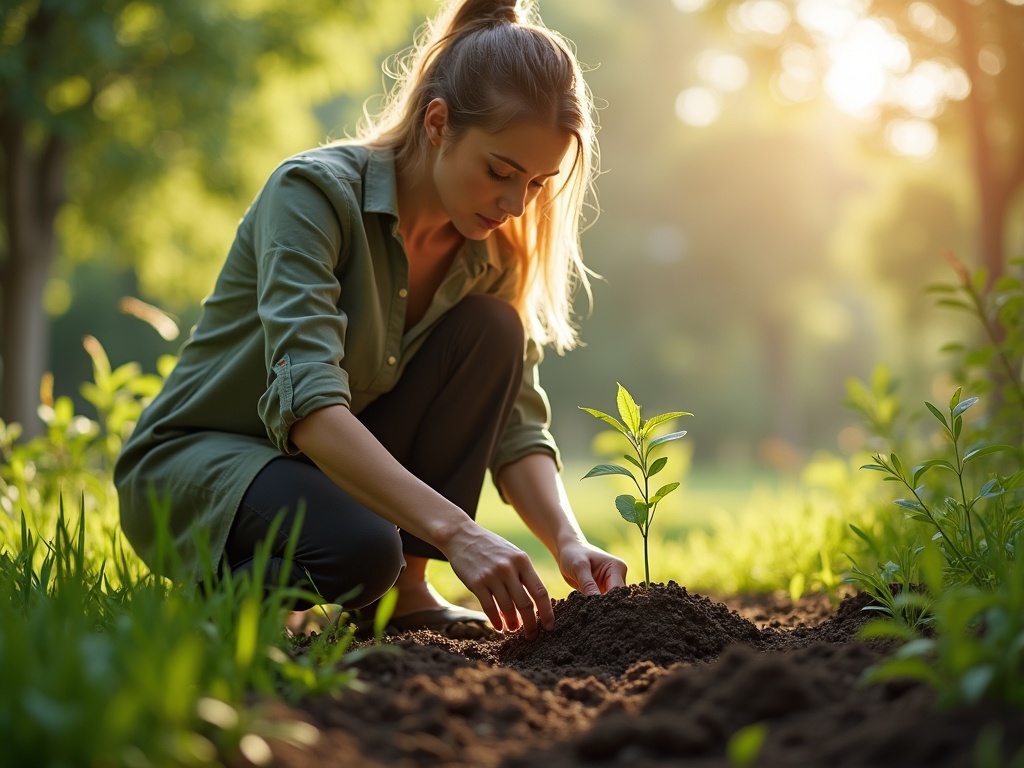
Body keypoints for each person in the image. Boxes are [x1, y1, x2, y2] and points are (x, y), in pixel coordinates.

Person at [114, 0, 627, 641]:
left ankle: (403, 595)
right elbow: (309, 406)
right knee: (360, 552)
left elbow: (516, 424)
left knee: (494, 330)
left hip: (316, 468)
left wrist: (568, 543)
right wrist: (459, 533)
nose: (514, 203)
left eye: (536, 183)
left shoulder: (489, 248)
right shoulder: (314, 194)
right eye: (501, 172)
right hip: (204, 460)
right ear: (437, 122)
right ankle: (214, 613)